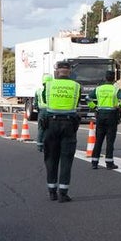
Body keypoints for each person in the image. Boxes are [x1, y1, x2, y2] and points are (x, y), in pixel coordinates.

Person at [41, 60, 81, 202]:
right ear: (69, 71)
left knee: (51, 158)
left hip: (51, 124)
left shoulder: (49, 85)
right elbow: (76, 104)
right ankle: (63, 193)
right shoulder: (76, 86)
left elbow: (45, 100)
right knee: (66, 159)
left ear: (57, 71)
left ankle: (52, 192)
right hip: (69, 124)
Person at [89, 69, 121, 170]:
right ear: (114, 79)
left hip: (100, 115)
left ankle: (94, 162)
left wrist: (95, 107)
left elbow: (88, 98)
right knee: (110, 141)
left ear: (105, 78)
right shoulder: (115, 89)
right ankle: (109, 163)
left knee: (98, 140)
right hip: (112, 116)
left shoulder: (98, 89)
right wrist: (119, 106)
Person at [35, 72, 52, 152]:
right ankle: (47, 146)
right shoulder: (52, 90)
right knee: (49, 128)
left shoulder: (38, 90)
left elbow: (35, 103)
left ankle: (39, 146)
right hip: (50, 111)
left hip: (42, 111)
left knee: (41, 128)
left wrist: (39, 110)